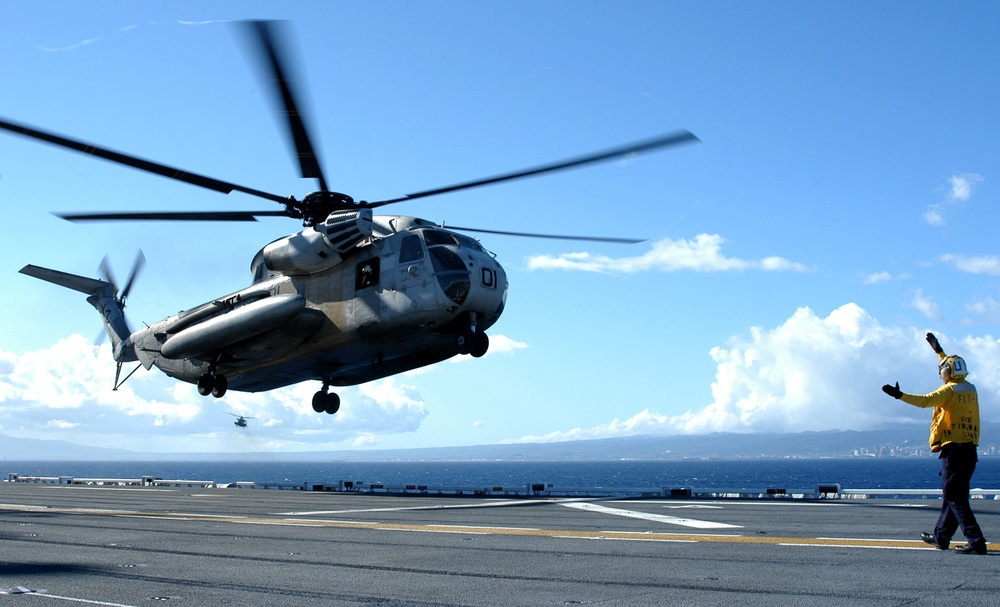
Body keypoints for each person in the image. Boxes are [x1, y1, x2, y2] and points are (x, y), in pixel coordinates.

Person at [882, 332, 988, 555]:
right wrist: (939, 351)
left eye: (943, 370)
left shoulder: (948, 391)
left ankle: (976, 540)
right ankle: (942, 536)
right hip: (969, 450)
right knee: (953, 493)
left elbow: (925, 401)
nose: (941, 372)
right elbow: (952, 364)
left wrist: (900, 395)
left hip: (954, 450)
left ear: (948, 372)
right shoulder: (970, 388)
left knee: (955, 496)